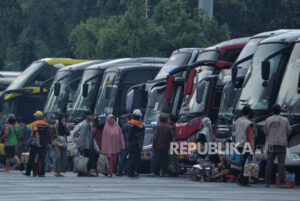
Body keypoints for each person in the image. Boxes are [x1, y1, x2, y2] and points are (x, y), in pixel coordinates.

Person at [264, 104, 291, 188]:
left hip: (271, 144)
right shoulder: (285, 120)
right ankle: (281, 183)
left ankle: (267, 183)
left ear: (272, 111)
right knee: (281, 164)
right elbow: (288, 132)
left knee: (269, 163)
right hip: (281, 144)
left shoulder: (268, 120)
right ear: (280, 111)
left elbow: (265, 133)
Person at [233, 105, 256, 186]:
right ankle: (244, 181)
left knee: (243, 163)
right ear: (249, 113)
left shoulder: (237, 121)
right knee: (247, 163)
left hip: (238, 144)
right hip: (246, 145)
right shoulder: (248, 123)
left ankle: (241, 180)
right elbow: (249, 137)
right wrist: (252, 149)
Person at [24, 111, 48, 177]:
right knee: (42, 158)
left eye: (35, 115)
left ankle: (28, 172)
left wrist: (37, 142)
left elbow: (36, 132)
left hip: (35, 143)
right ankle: (42, 173)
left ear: (37, 116)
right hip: (43, 143)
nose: (34, 116)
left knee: (32, 158)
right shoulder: (45, 123)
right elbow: (46, 134)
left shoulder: (34, 123)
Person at [126, 110, 145, 177]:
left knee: (130, 157)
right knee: (134, 158)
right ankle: (132, 172)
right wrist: (140, 144)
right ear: (139, 117)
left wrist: (128, 141)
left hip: (130, 142)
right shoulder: (140, 125)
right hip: (136, 144)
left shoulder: (129, 123)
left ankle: (129, 171)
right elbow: (141, 136)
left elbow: (127, 134)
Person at [78, 111, 94, 176]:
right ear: (87, 116)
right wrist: (81, 146)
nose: (92, 117)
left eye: (92, 115)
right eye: (90, 115)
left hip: (89, 144)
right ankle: (83, 171)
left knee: (89, 158)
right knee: (84, 158)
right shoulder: (84, 125)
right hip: (84, 145)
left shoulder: (91, 124)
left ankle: (86, 171)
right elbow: (82, 135)